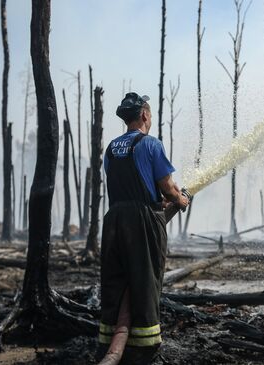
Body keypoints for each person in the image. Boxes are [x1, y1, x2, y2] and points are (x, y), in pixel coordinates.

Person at [97, 92, 189, 365]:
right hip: (142, 221)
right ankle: (144, 349)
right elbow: (169, 188)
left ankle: (107, 343)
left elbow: (126, 185)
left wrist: (151, 198)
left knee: (115, 281)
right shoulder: (151, 144)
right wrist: (180, 199)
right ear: (145, 115)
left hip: (114, 219)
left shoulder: (111, 148)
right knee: (146, 280)